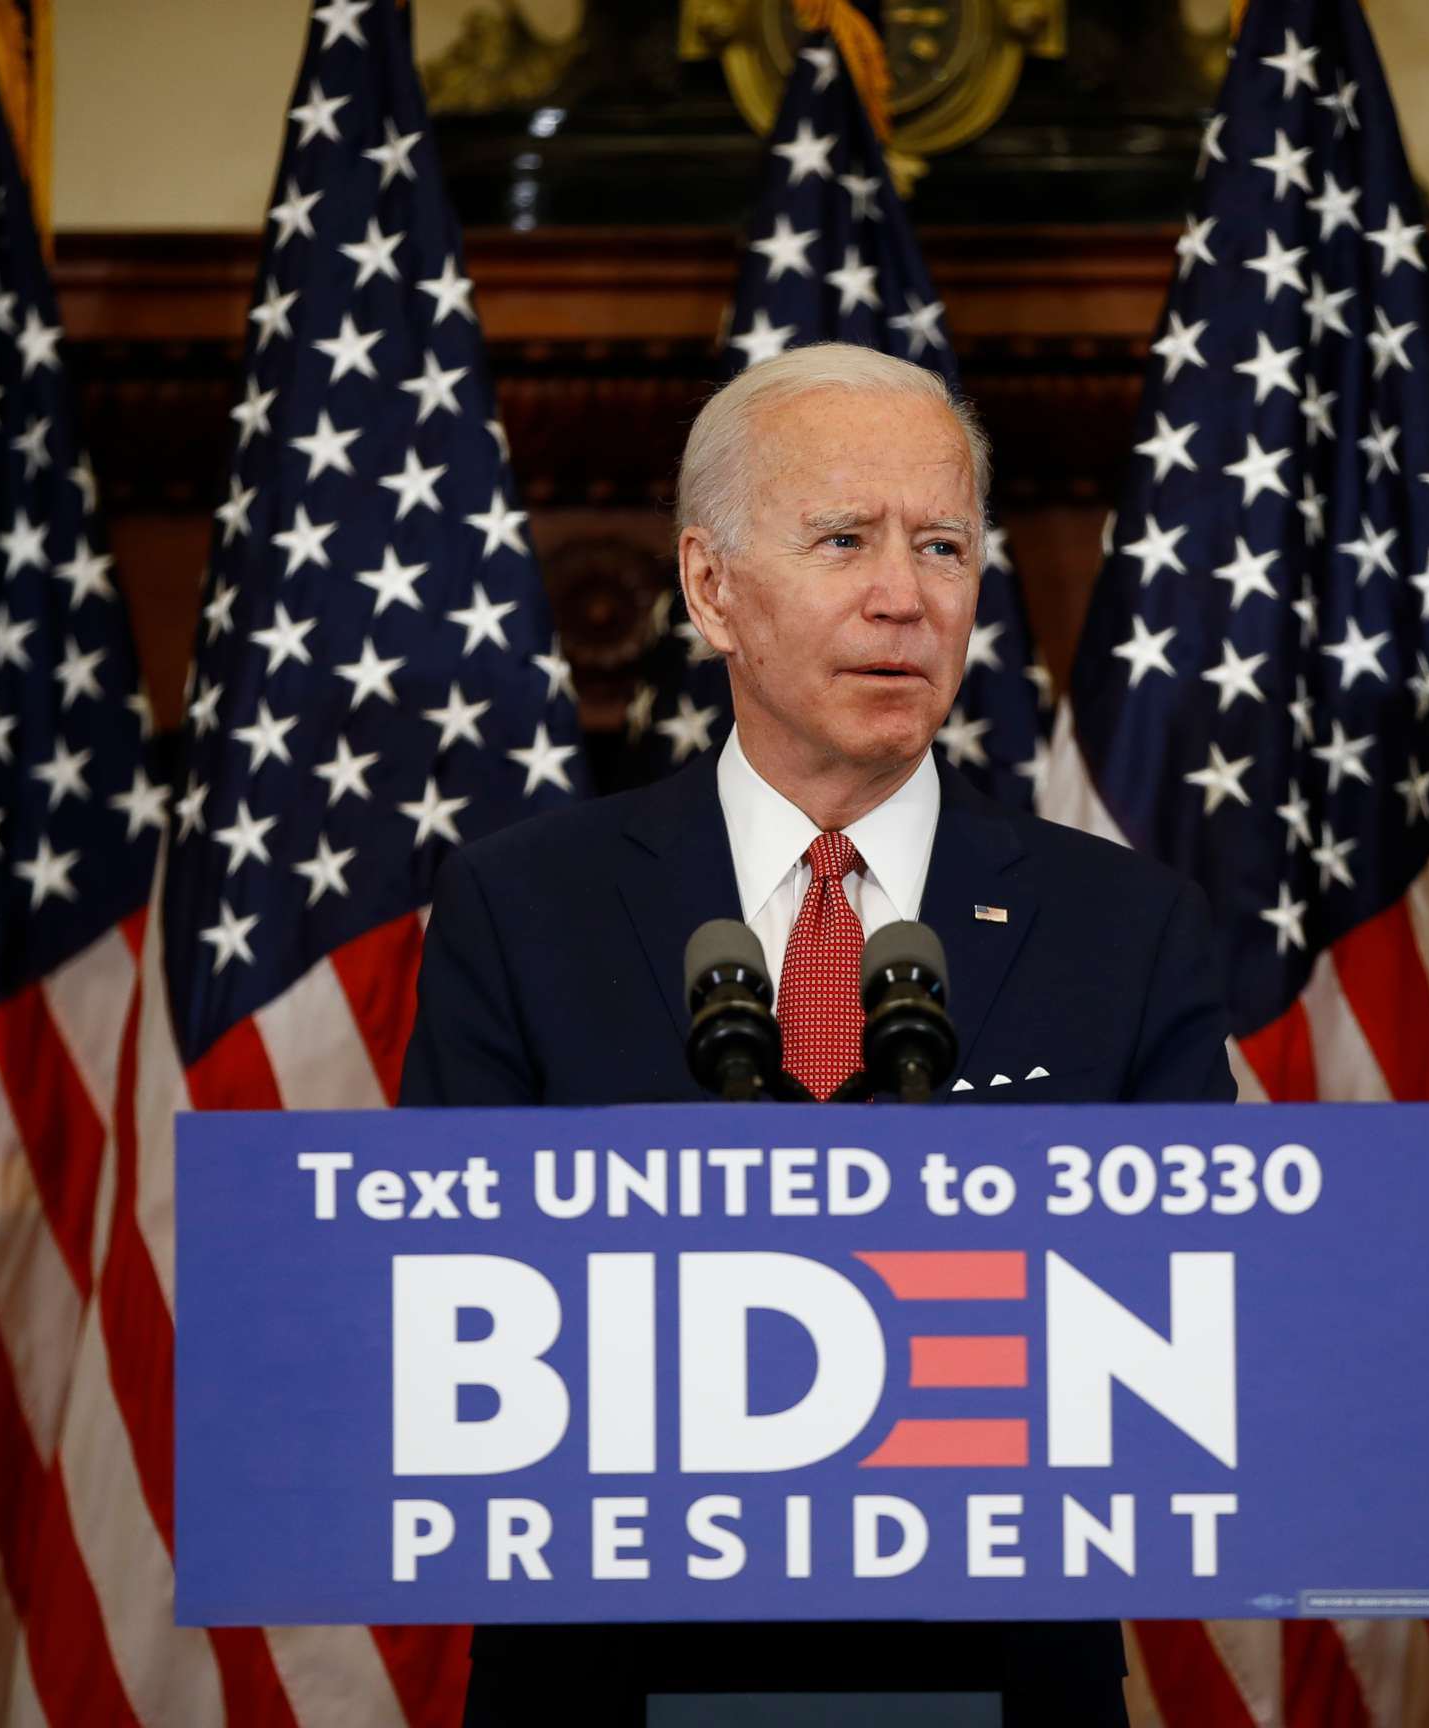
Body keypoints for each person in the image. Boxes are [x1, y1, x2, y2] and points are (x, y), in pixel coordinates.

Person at [401, 341, 1237, 1726]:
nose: (903, 598)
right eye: (844, 539)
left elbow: (1196, 1337)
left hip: (1000, 1682)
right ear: (711, 588)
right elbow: (441, 1318)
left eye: (944, 547)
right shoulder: (522, 906)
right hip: (616, 1680)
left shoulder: (1129, 930)